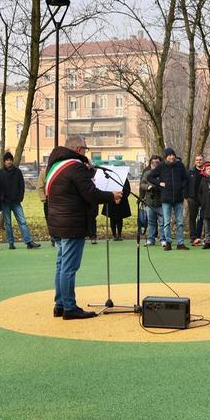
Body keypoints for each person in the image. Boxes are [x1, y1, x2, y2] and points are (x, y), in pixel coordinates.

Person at [44, 137, 120, 319]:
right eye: (85, 149)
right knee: (69, 267)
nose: (86, 153)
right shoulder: (75, 166)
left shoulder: (55, 166)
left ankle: (60, 304)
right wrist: (111, 196)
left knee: (61, 265)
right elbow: (90, 193)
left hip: (58, 222)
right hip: (72, 223)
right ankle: (70, 308)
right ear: (78, 149)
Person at [149, 147, 189, 251]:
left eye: (173, 155)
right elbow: (150, 177)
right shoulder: (161, 166)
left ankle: (180, 243)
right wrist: (159, 183)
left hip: (178, 198)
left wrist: (181, 187)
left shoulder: (180, 165)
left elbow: (186, 178)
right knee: (167, 222)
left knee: (179, 222)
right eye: (170, 155)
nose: (172, 157)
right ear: (166, 157)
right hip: (166, 198)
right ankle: (168, 242)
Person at [0, 153, 38, 249]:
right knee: (8, 223)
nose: (9, 161)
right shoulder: (0, 173)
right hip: (5, 203)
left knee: (22, 221)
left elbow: (22, 186)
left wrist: (20, 197)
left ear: (12, 161)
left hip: (16, 202)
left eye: (10, 160)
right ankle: (11, 243)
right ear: (4, 161)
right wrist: (2, 198)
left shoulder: (18, 172)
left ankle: (29, 242)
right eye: (7, 160)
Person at [139, 156, 163, 245]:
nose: (155, 164)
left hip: (161, 201)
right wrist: (147, 187)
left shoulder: (162, 173)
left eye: (157, 163)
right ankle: (150, 239)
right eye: (153, 163)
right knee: (151, 222)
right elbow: (142, 184)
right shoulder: (147, 173)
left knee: (162, 222)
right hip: (149, 201)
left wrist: (158, 187)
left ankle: (163, 239)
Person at [187, 154, 206, 245]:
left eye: (200, 160)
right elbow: (185, 184)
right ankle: (193, 237)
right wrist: (186, 196)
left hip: (203, 198)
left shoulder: (206, 172)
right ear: (195, 161)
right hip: (192, 198)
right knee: (192, 217)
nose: (199, 161)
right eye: (197, 160)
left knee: (202, 217)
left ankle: (199, 236)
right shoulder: (190, 172)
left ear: (203, 161)